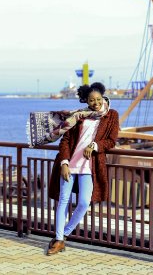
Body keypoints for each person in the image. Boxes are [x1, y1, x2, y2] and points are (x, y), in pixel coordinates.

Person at [46, 82, 119, 255]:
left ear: (103, 97)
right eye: (92, 100)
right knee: (63, 200)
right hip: (70, 164)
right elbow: (65, 141)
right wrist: (64, 163)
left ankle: (64, 234)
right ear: (86, 100)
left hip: (90, 166)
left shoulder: (112, 115)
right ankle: (58, 240)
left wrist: (95, 145)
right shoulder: (78, 116)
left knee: (84, 202)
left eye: (98, 99)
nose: (96, 103)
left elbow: (111, 141)